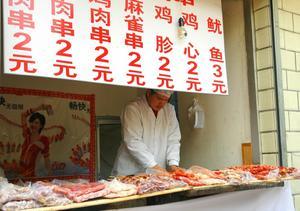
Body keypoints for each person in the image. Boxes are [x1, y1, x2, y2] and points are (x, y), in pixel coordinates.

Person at [112, 89, 181, 176]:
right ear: (148, 93)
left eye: (166, 100)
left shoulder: (169, 110)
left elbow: (173, 139)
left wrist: (173, 164)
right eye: (159, 98)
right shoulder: (133, 108)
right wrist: (154, 166)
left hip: (157, 174)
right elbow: (133, 140)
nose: (162, 103)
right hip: (130, 172)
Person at [19, 104, 53, 177]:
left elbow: (47, 160)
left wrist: (50, 176)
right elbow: (23, 115)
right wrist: (39, 107)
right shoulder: (27, 134)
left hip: (33, 174)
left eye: (36, 123)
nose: (33, 124)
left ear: (41, 126)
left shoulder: (44, 140)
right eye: (32, 122)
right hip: (21, 172)